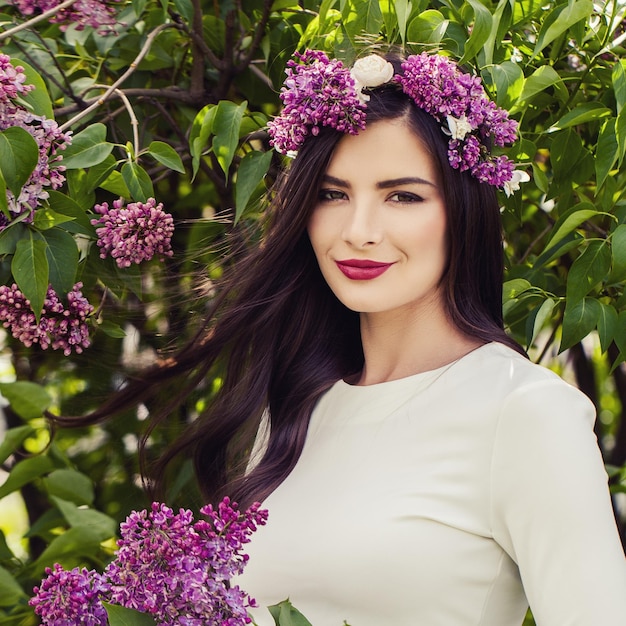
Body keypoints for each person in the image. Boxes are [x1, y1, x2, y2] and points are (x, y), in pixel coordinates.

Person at [60, 50, 626, 624]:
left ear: (463, 210)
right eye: (332, 195)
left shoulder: (526, 412)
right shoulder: (297, 405)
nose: (358, 232)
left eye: (402, 195)